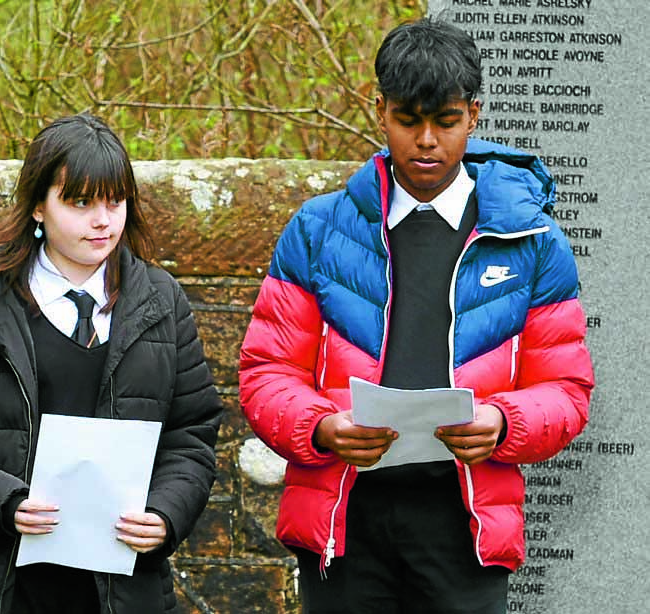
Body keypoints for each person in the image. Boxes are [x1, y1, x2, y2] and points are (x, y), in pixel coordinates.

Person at [239, 17, 594, 614]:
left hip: (468, 528)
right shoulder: (316, 229)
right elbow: (265, 373)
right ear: (379, 110)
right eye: (408, 120)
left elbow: (567, 389)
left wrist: (505, 423)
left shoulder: (534, 240)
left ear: (474, 115)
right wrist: (321, 428)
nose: (426, 140)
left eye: (446, 121)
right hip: (341, 524)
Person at [0, 113, 222, 614]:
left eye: (114, 201)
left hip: (122, 588)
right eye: (80, 203)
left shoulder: (163, 302)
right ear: (37, 206)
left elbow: (192, 432)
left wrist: (165, 513)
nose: (102, 220)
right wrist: (4, 501)